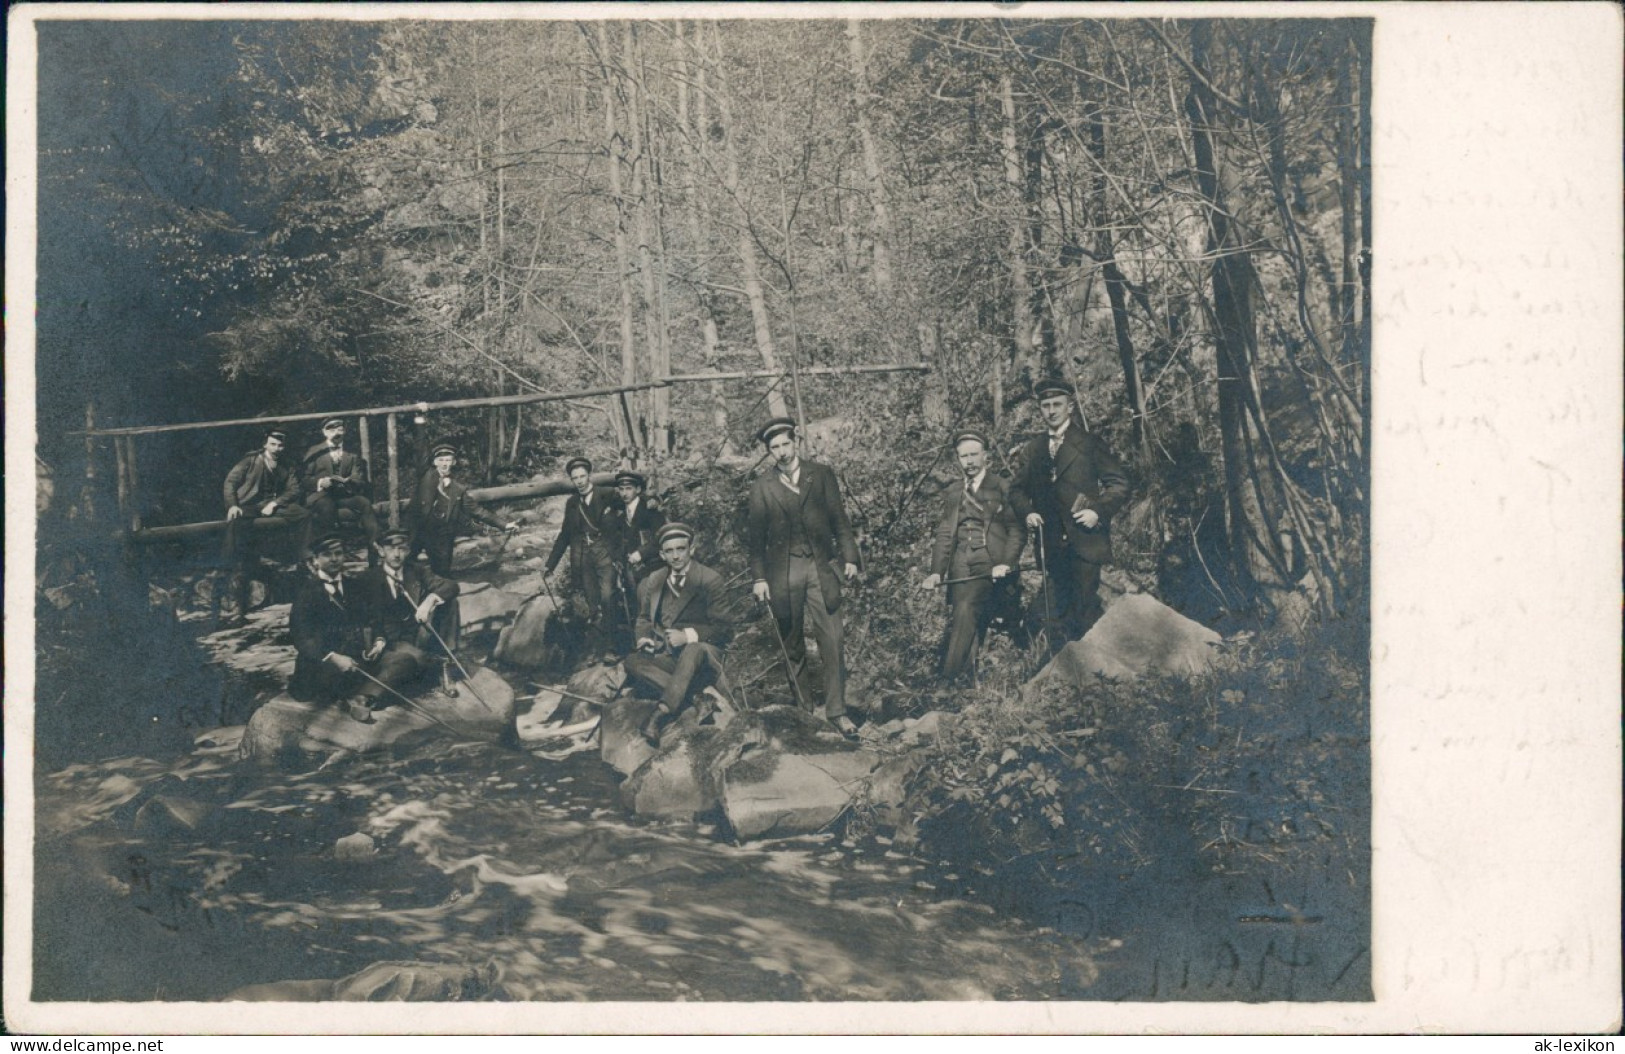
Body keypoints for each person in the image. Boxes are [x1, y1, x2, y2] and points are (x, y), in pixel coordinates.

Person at [745, 416, 861, 734]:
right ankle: (803, 711)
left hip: (820, 568)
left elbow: (840, 521)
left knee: (833, 639)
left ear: (795, 442)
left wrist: (850, 558)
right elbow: (755, 541)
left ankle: (837, 711)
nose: (782, 452)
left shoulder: (820, 475)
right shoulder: (761, 487)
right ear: (769, 451)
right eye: (774, 447)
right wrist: (759, 579)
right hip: (782, 573)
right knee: (791, 643)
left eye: (785, 444)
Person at [1011, 378, 1130, 646]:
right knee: (1052, 614)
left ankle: (1093, 677)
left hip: (1085, 540)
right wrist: (1028, 512)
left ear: (1070, 406)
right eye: (1045, 405)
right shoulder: (1033, 450)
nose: (1051, 410)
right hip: (1052, 545)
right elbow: (1016, 491)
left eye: (1057, 404)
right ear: (1039, 409)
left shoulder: (1089, 444)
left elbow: (1119, 484)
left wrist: (1098, 512)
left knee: (1084, 610)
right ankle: (1060, 675)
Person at [920, 429, 1024, 684]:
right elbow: (945, 534)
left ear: (985, 456)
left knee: (966, 608)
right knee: (965, 617)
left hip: (990, 563)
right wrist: (936, 572)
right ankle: (966, 683)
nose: (969, 461)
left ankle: (947, 677)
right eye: (963, 456)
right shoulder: (954, 492)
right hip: (960, 564)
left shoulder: (1002, 486)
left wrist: (1007, 563)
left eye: (974, 455)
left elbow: (1017, 531)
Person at [624, 522, 736, 743]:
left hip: (703, 655)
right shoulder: (655, 580)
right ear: (662, 555)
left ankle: (661, 713)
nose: (676, 556)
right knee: (632, 661)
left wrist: (688, 636)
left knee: (692, 650)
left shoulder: (709, 580)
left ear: (691, 550)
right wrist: (644, 637)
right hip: (669, 656)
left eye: (680, 549)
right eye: (669, 551)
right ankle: (696, 698)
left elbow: (724, 629)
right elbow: (645, 618)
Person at [351, 528, 462, 721]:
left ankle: (445, 666)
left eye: (402, 548)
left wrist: (429, 602)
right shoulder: (367, 579)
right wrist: (373, 643)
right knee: (414, 661)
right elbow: (361, 617)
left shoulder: (417, 571)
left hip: (418, 634)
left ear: (409, 550)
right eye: (391, 548)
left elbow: (451, 586)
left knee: (449, 602)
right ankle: (367, 696)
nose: (396, 554)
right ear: (380, 550)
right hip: (389, 642)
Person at [287, 533, 381, 722]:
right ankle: (353, 703)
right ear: (315, 560)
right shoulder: (306, 592)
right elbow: (301, 638)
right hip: (319, 662)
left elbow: (371, 619)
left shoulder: (353, 586)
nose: (334, 559)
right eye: (327, 555)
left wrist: (377, 641)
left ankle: (360, 698)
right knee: (332, 684)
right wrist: (332, 657)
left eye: (338, 553)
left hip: (353, 659)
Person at [220, 428, 310, 622]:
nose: (277, 448)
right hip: (249, 505)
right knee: (236, 524)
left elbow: (295, 489)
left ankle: (305, 560)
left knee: (303, 515)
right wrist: (233, 505)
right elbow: (230, 483)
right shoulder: (249, 461)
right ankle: (230, 578)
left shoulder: (286, 465)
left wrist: (276, 503)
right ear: (265, 445)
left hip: (272, 505)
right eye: (273, 444)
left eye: (280, 445)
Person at [544, 456, 620, 653]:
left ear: (590, 476)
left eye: (582, 476)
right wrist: (550, 565)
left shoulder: (608, 494)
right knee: (592, 601)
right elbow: (564, 535)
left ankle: (612, 646)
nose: (579, 481)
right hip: (584, 558)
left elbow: (631, 510)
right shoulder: (572, 503)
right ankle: (598, 646)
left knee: (608, 596)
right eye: (575, 477)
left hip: (605, 553)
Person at [408, 444, 518, 577]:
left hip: (443, 537)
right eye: (441, 460)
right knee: (406, 566)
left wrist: (504, 524)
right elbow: (421, 451)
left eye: (448, 460)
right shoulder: (426, 476)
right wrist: (420, 423)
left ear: (453, 462)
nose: (444, 464)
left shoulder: (459, 489)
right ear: (434, 462)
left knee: (442, 575)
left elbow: (478, 511)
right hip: (419, 531)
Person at [302, 417, 380, 566]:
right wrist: (320, 482)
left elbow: (359, 478)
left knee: (364, 503)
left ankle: (374, 549)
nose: (336, 433)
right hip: (320, 495)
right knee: (327, 506)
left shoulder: (352, 453)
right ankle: (330, 553)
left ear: (344, 431)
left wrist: (348, 482)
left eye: (340, 429)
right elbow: (303, 479)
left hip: (343, 495)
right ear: (324, 432)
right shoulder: (314, 452)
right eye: (331, 430)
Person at [611, 469, 665, 581]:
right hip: (630, 568)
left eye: (629, 488)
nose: (624, 493)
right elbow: (617, 540)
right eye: (621, 489)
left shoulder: (650, 509)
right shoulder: (620, 514)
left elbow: (661, 537)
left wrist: (641, 553)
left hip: (652, 564)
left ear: (638, 489)